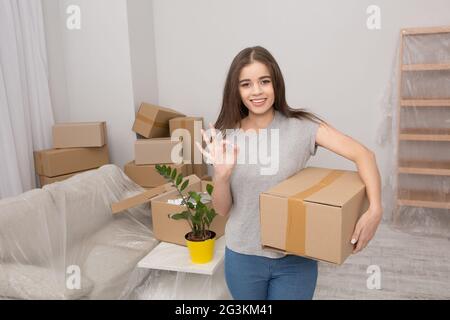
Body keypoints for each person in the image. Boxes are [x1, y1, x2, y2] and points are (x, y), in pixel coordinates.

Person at [195, 46, 382, 300]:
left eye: (264, 81)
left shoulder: (302, 127)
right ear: (236, 90)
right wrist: (222, 177)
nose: (257, 91)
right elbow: (222, 209)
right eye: (246, 84)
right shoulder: (226, 136)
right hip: (243, 257)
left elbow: (364, 155)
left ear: (276, 84)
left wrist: (375, 211)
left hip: (295, 259)